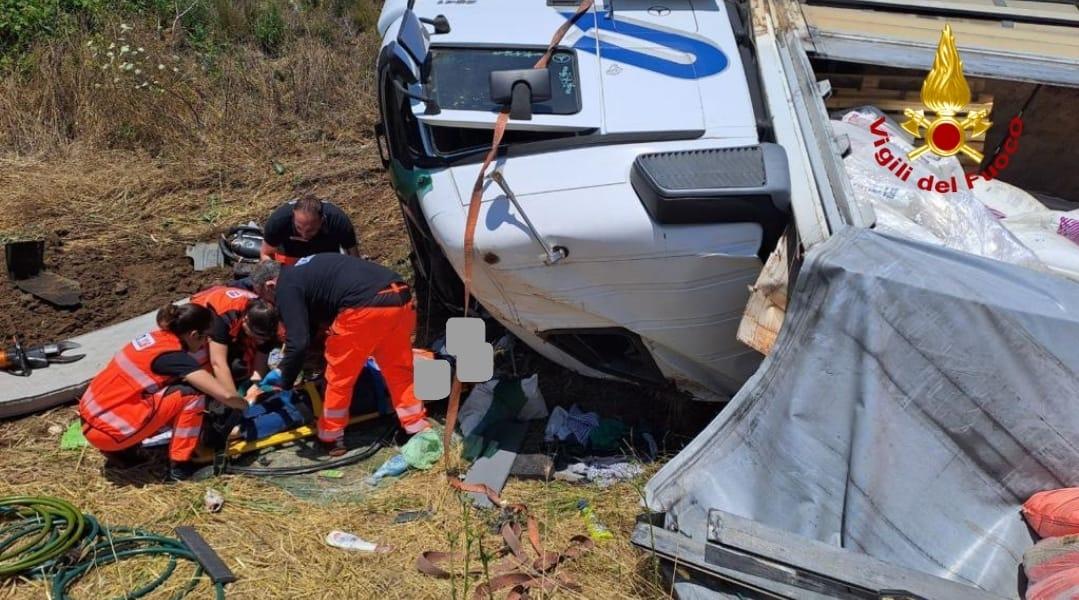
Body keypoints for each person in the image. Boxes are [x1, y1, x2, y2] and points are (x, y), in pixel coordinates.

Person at [248, 255, 430, 455]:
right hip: (399, 296)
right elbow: (308, 327)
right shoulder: (302, 272)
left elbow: (298, 342)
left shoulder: (285, 287)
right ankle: (415, 427)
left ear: (270, 285)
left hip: (363, 307)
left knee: (339, 378)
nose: (269, 303)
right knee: (399, 372)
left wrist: (284, 380)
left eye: (264, 297)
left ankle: (331, 437)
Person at [79, 303, 250, 481]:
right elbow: (226, 396)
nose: (206, 342)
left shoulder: (155, 341)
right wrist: (245, 405)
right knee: (192, 394)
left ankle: (126, 450)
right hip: (109, 431)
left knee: (173, 392)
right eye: (206, 337)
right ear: (193, 335)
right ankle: (180, 464)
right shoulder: (174, 357)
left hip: (91, 418)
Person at [190, 285, 280, 396]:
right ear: (245, 321)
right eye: (257, 336)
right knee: (223, 370)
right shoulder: (222, 318)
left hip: (235, 325)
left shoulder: (265, 316)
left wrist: (255, 385)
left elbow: (263, 350)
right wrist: (234, 399)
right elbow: (218, 363)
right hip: (201, 321)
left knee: (242, 368)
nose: (260, 340)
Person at [260, 194, 360, 265]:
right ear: (293, 216)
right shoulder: (278, 221)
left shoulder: (338, 220)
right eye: (298, 228)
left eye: (310, 230)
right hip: (292, 261)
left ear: (322, 220)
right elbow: (265, 254)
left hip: (328, 260)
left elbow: (354, 258)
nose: (304, 235)